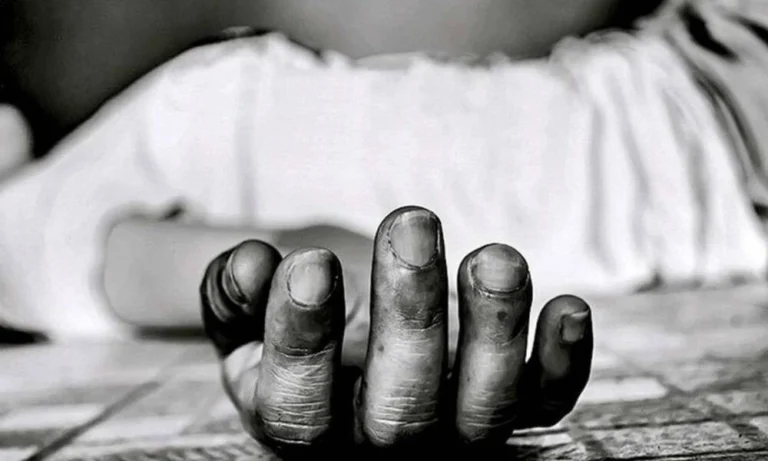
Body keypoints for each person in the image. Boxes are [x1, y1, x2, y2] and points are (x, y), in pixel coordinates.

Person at [0, 0, 766, 455]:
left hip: (686, 75)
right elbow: (301, 271)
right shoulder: (18, 232)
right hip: (710, 132)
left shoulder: (84, 160)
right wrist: (369, 317)